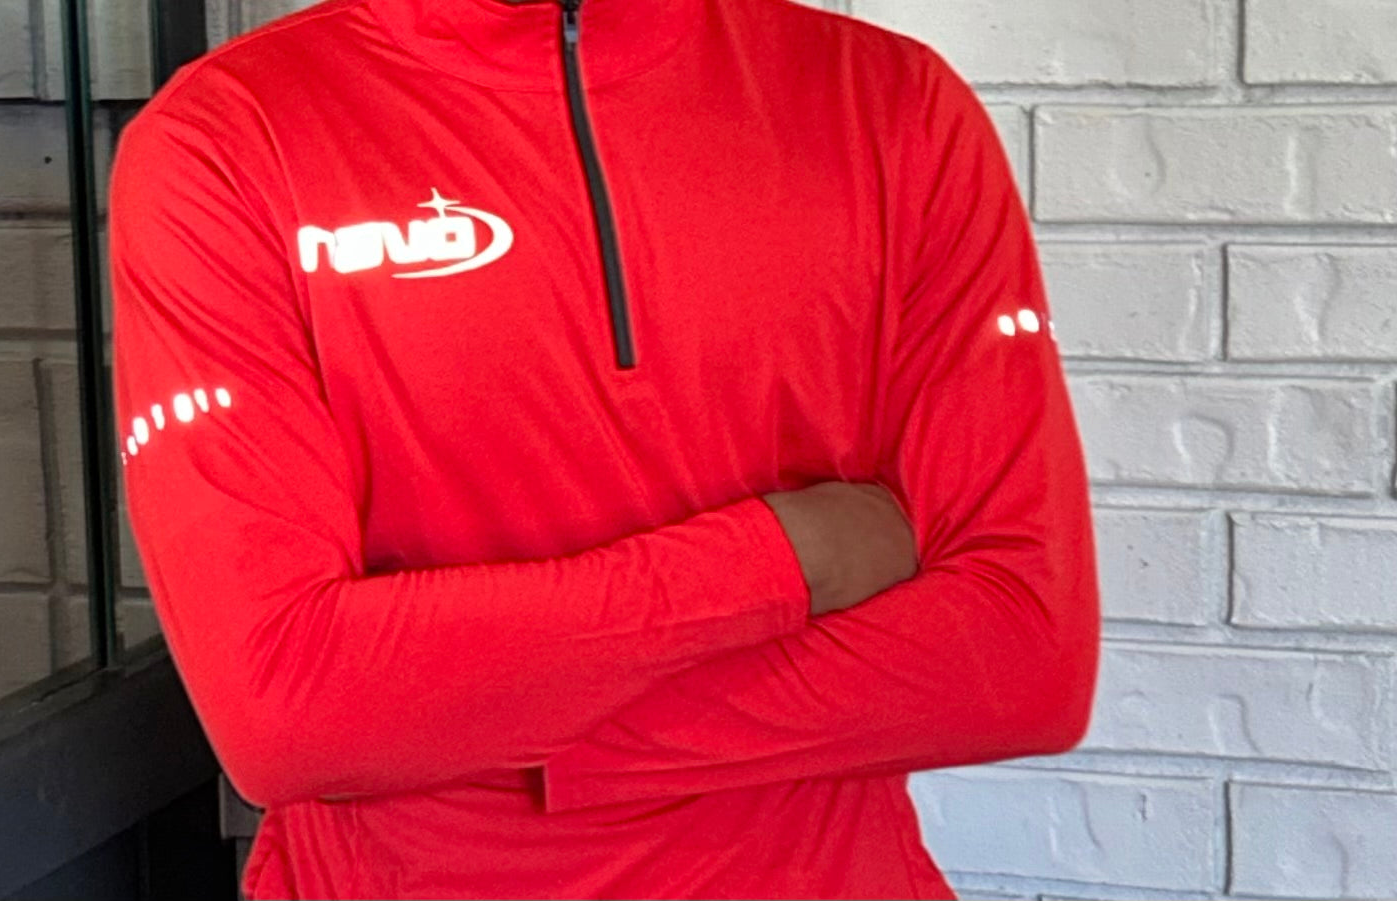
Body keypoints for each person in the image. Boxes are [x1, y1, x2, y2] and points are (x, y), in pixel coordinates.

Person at [108, 0, 1101, 896]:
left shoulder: (890, 107)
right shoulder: (230, 141)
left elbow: (1020, 656)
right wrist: (784, 558)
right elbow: (292, 712)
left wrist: (474, 725)